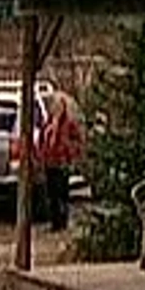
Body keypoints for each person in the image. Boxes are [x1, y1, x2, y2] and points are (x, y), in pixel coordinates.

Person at [38, 92, 85, 231]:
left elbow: (78, 141)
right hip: (49, 161)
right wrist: (42, 154)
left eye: (59, 106)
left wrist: (69, 151)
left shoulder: (69, 123)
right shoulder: (48, 122)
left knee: (61, 194)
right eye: (54, 106)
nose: (56, 109)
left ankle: (62, 222)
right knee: (51, 194)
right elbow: (43, 139)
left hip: (62, 162)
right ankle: (55, 222)